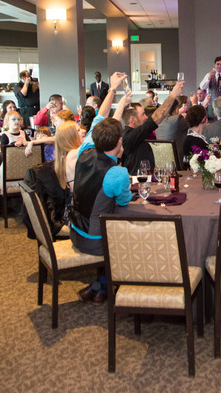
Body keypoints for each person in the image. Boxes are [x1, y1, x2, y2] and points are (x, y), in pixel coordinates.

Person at [71, 118, 132, 304]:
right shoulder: (117, 173)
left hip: (75, 230)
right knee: (131, 235)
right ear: (120, 141)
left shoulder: (84, 152)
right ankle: (120, 287)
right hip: (94, 240)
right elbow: (124, 200)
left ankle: (98, 287)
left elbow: (98, 119)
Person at [120, 80, 184, 176]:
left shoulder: (137, 135)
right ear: (132, 119)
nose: (146, 117)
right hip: (136, 182)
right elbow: (156, 117)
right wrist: (172, 95)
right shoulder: (129, 136)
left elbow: (161, 116)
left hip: (148, 179)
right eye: (142, 115)